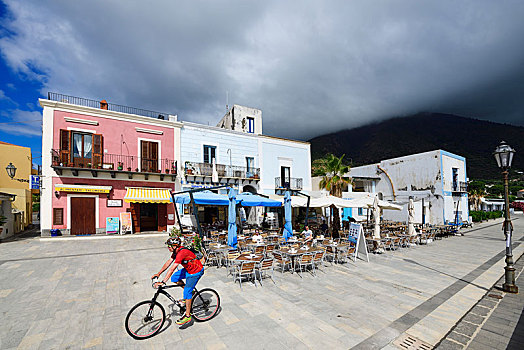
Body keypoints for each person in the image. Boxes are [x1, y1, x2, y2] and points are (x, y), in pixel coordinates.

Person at [152, 237, 204, 326]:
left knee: (187, 292)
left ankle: (188, 315)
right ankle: (192, 291)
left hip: (195, 271)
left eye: (169, 246)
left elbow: (172, 268)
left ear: (175, 246)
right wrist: (158, 273)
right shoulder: (175, 252)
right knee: (174, 278)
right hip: (188, 270)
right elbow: (169, 262)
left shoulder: (181, 253)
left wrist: (163, 282)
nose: (168, 247)